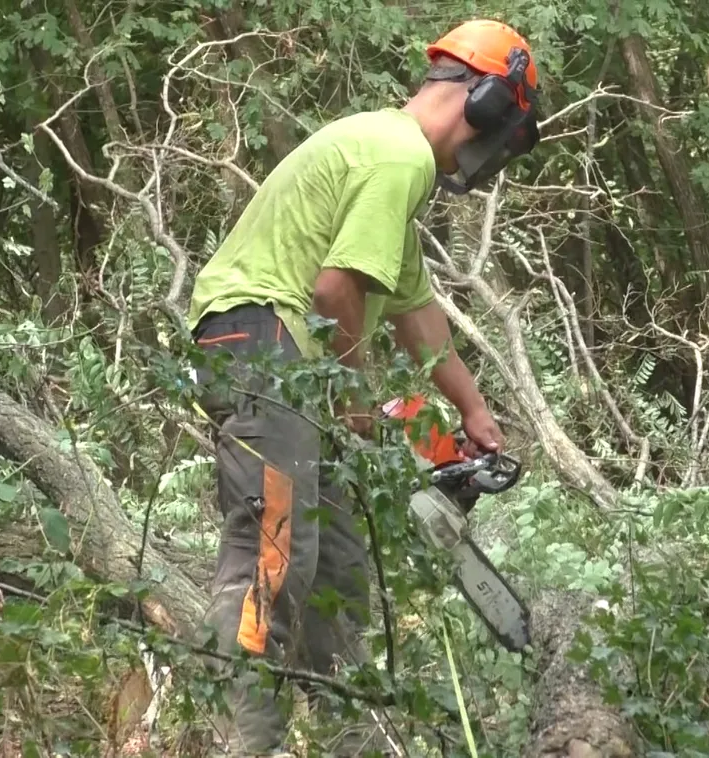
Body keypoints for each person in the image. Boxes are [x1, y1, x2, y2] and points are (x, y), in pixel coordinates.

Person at [183, 18, 543, 757]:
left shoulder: (389, 170)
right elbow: (333, 290)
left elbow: (417, 315)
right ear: (486, 104)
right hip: (260, 339)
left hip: (287, 358)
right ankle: (241, 740)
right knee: (274, 552)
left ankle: (352, 736)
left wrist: (470, 411)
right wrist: (356, 395)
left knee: (338, 564)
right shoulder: (398, 155)